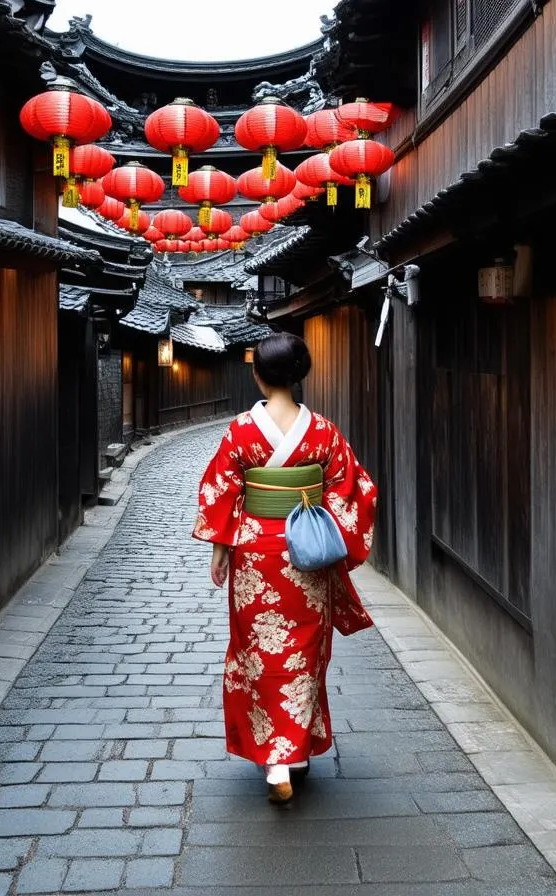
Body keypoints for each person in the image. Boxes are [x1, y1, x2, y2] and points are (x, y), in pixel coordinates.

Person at [192, 332, 378, 804]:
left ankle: (276, 761)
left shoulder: (240, 429)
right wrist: (328, 529)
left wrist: (220, 549)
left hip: (256, 554)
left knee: (259, 654)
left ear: (257, 374)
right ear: (299, 375)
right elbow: (351, 489)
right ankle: (291, 754)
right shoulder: (323, 432)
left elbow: (221, 491)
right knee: (303, 653)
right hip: (305, 558)